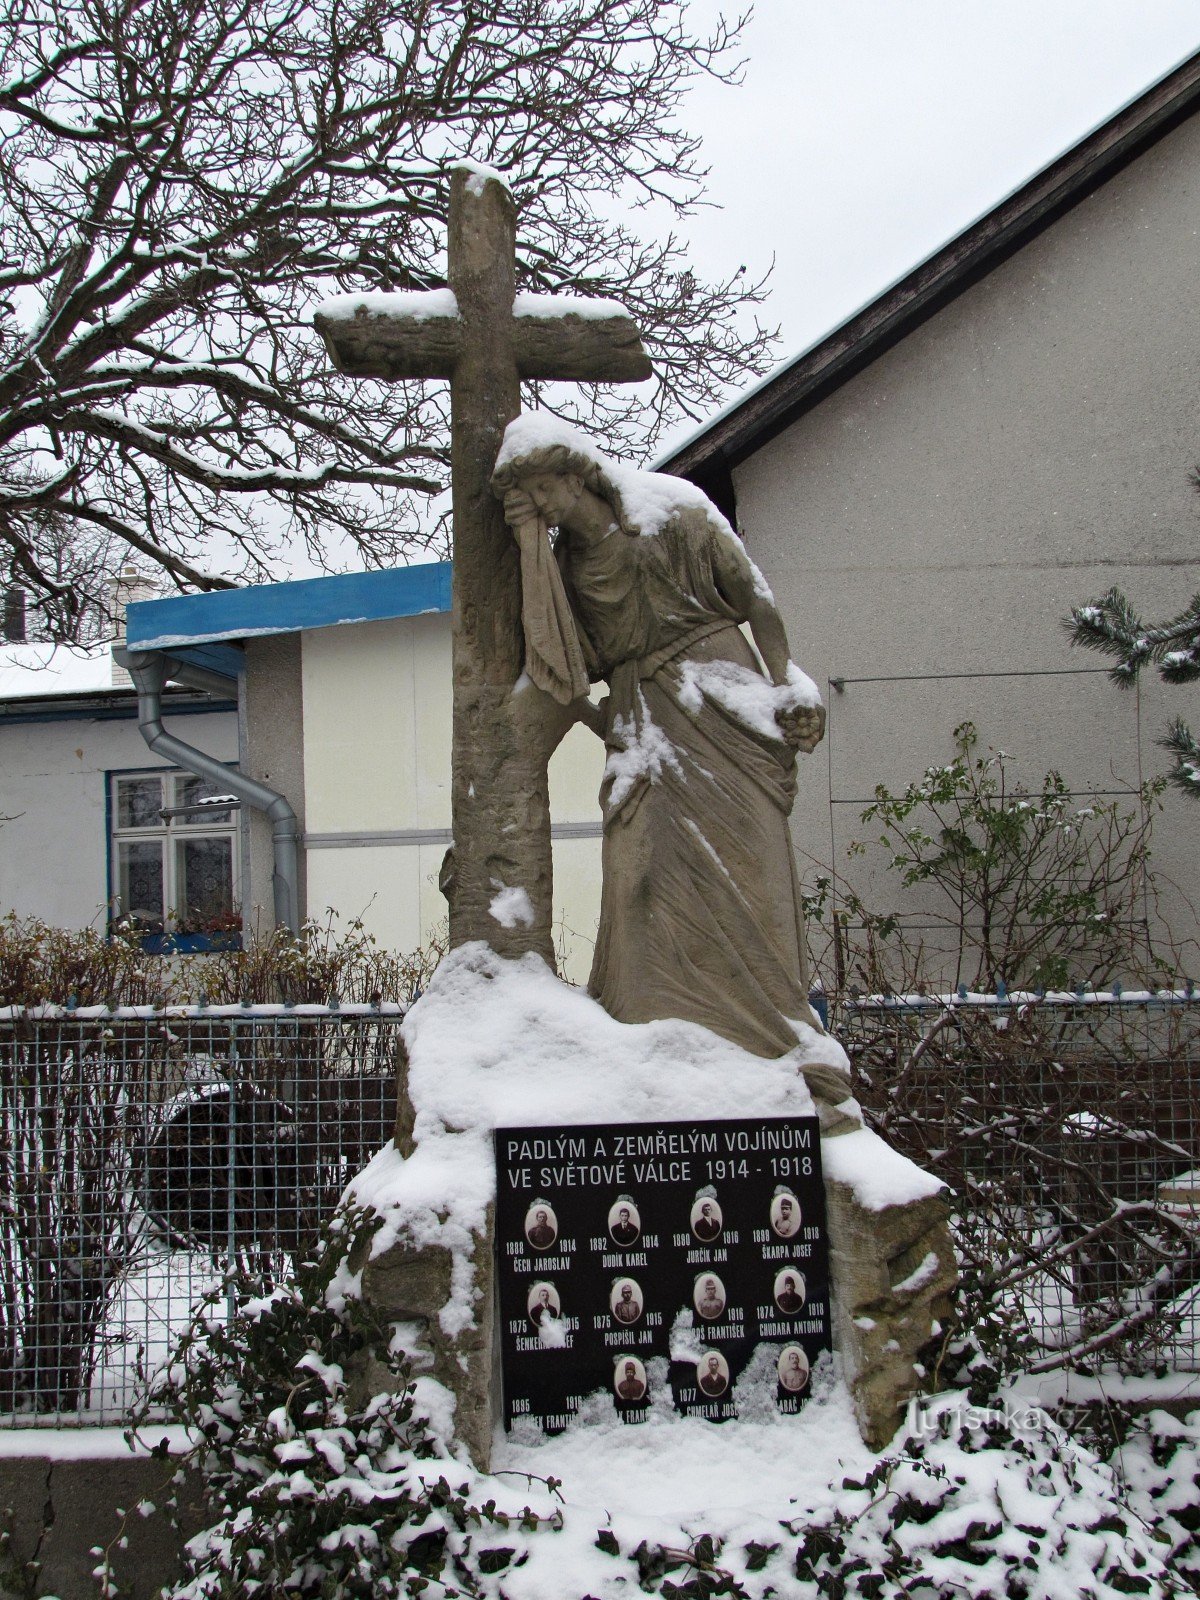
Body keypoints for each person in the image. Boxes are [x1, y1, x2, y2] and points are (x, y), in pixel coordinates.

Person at [491, 422, 860, 1135]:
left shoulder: (675, 513)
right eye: (530, 500)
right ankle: (652, 1046)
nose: (546, 505)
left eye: (546, 490)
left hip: (718, 694)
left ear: (578, 474)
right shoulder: (565, 565)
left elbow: (756, 600)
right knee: (642, 881)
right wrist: (532, 547)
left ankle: (775, 1042)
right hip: (641, 720)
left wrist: (789, 683)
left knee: (747, 876)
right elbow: (562, 667)